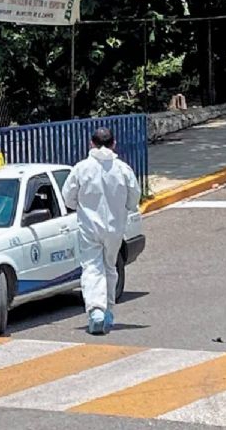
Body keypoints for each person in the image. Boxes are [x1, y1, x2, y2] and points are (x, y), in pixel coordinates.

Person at [62, 127, 141, 335]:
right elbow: (134, 198)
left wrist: (81, 205)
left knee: (91, 268)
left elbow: (68, 197)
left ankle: (96, 310)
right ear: (114, 144)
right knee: (109, 267)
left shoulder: (81, 169)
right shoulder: (123, 169)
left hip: (89, 227)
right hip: (115, 228)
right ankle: (107, 309)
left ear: (91, 143)